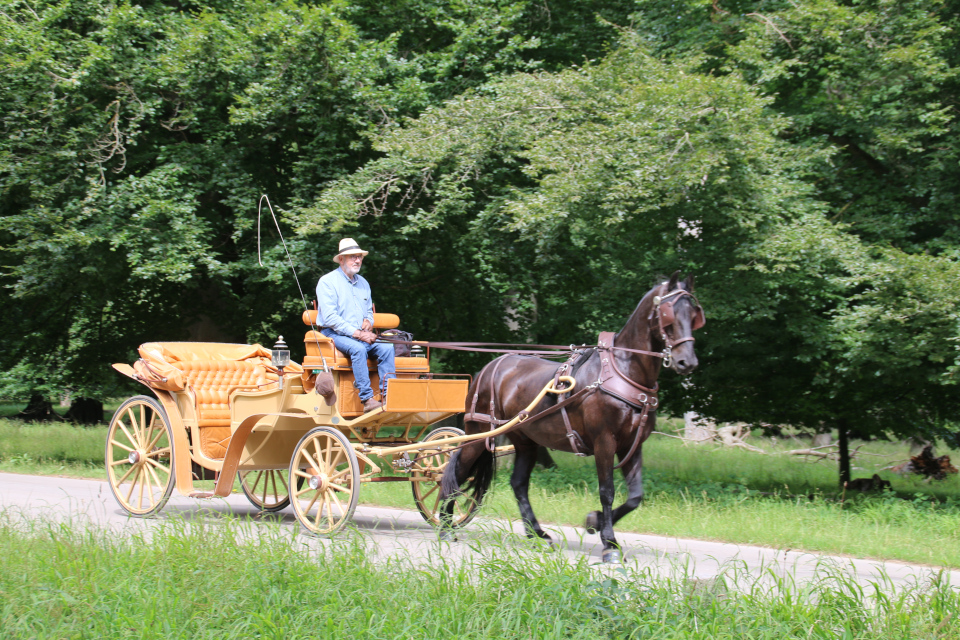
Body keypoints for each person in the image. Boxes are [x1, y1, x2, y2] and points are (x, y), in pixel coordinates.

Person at [316, 238, 395, 412]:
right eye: (353, 257)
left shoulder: (364, 283)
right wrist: (358, 334)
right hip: (334, 334)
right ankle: (367, 400)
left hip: (360, 335)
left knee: (387, 348)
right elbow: (330, 318)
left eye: (359, 257)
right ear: (341, 259)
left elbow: (368, 311)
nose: (357, 260)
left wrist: (369, 321)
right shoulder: (327, 282)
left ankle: (390, 396)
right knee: (358, 349)